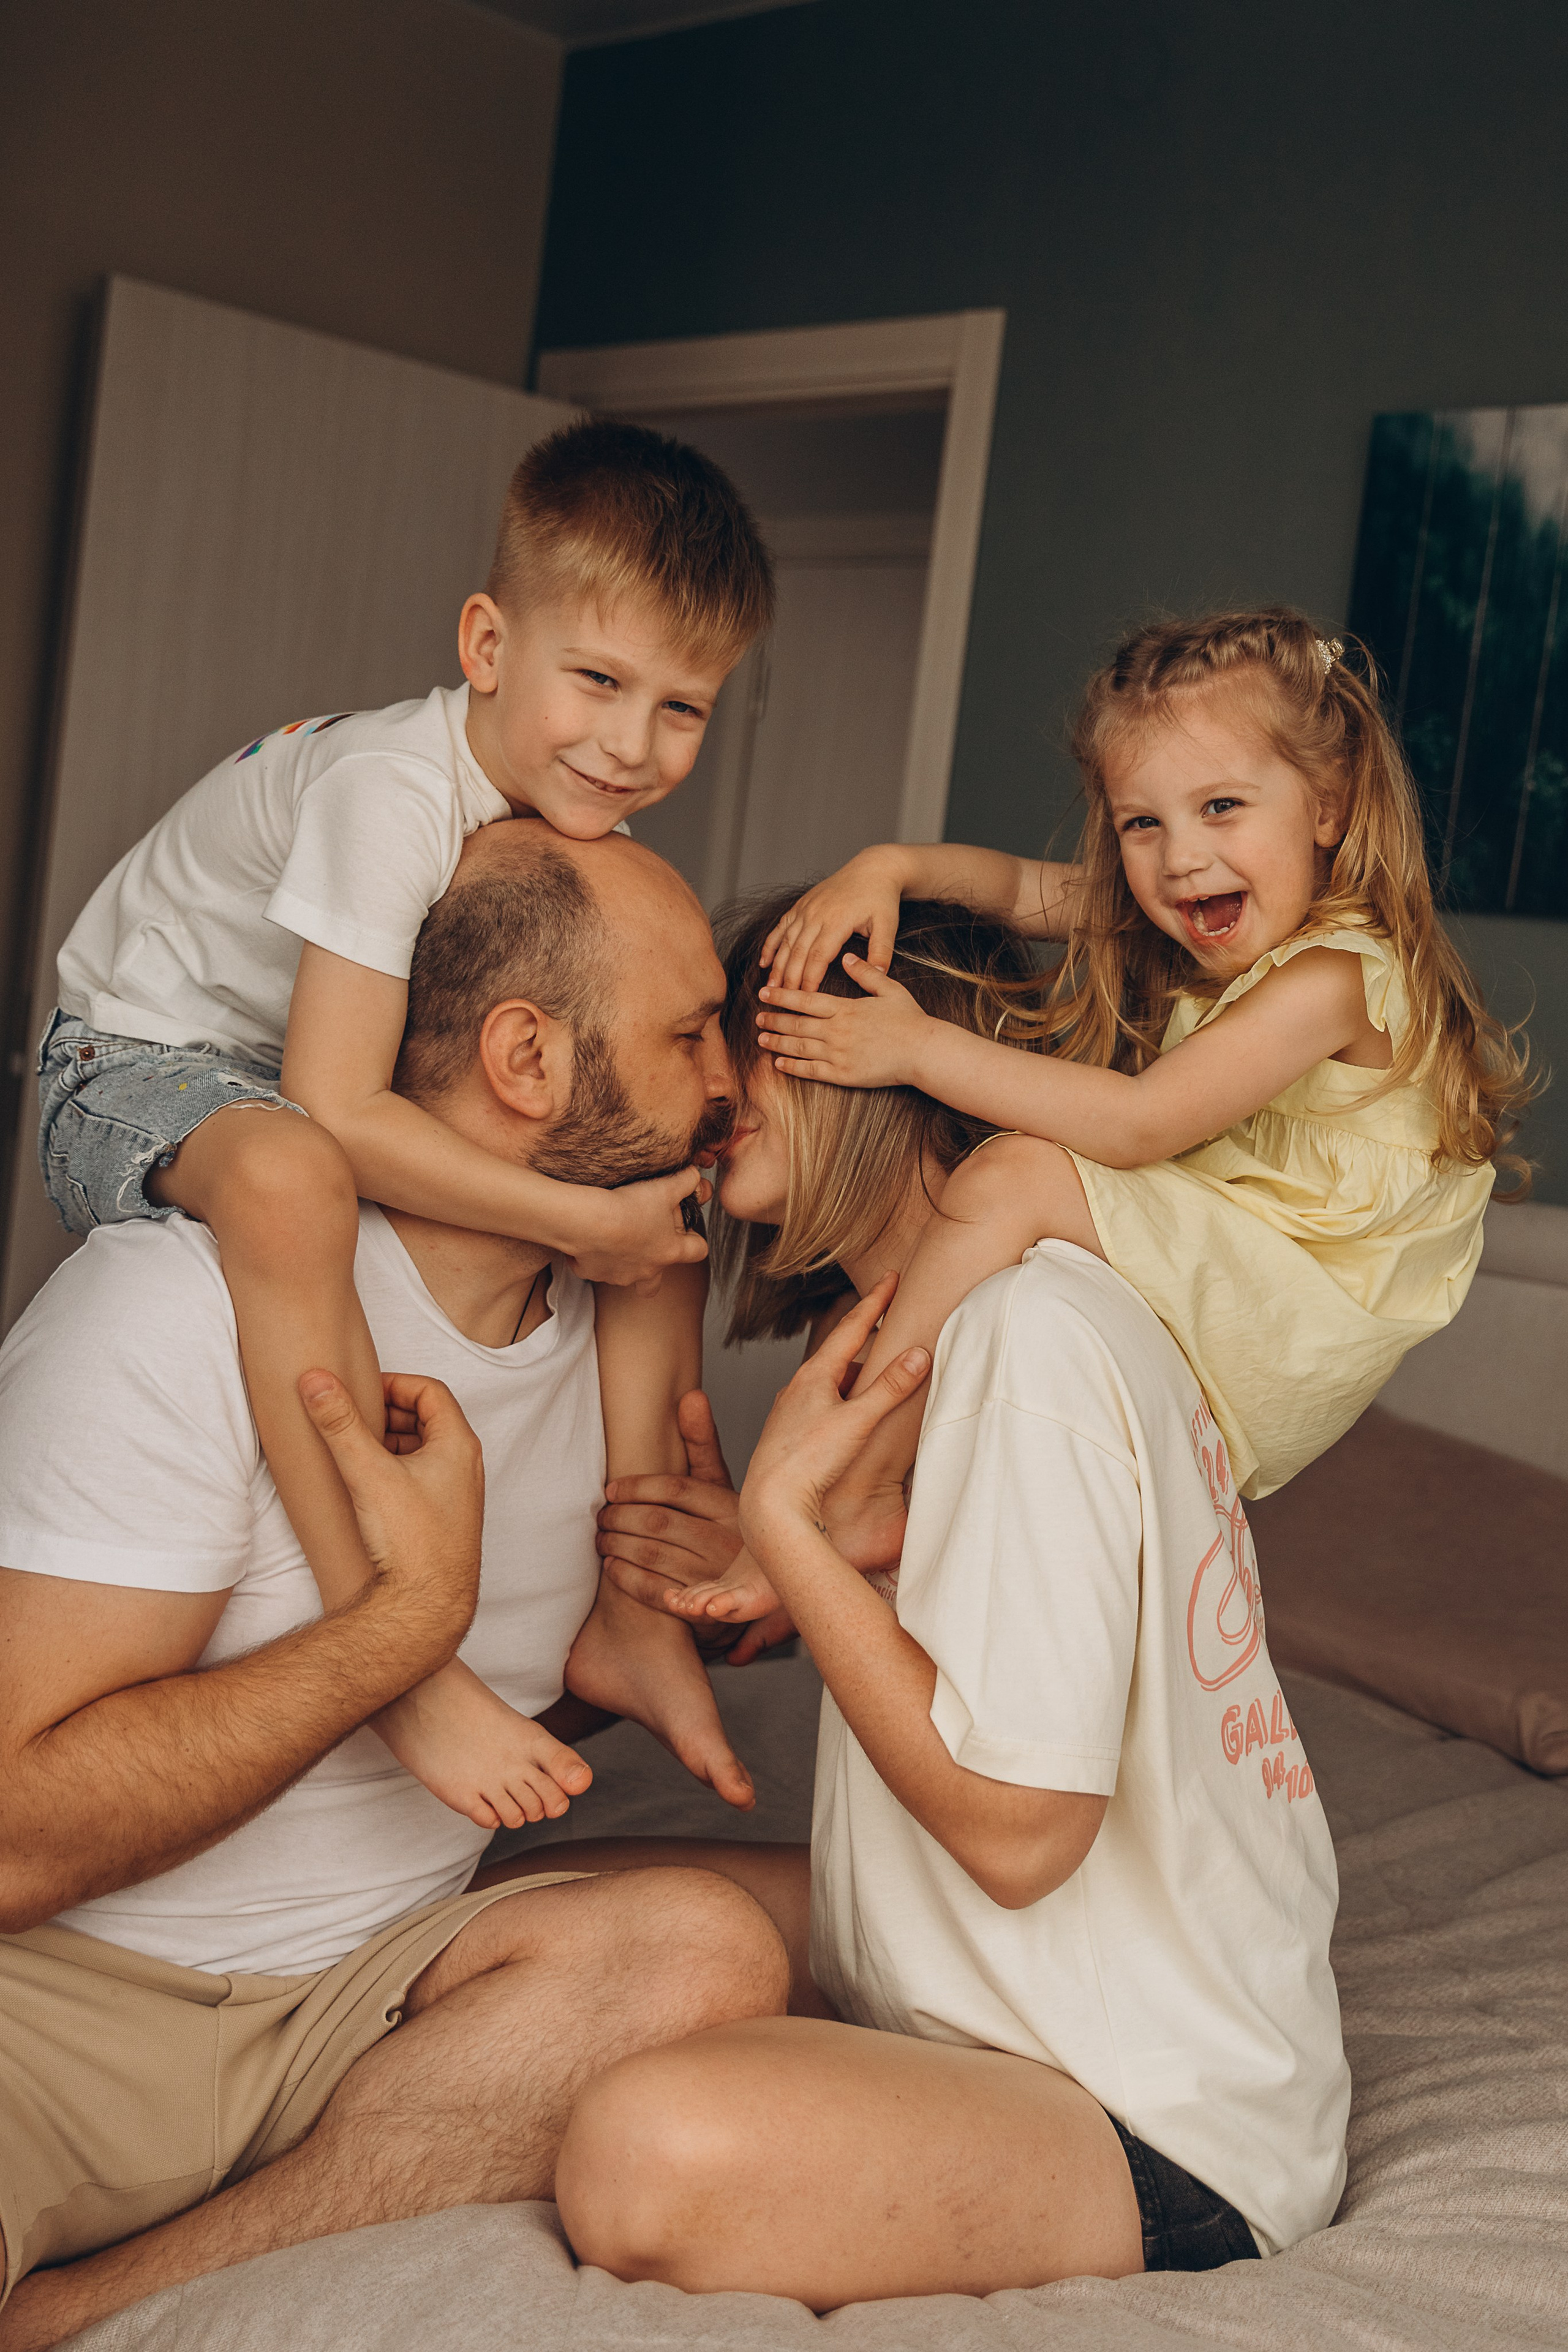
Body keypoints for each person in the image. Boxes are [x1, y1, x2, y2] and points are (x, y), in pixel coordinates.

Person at [0, 826, 788, 2352]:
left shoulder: (613, 1344)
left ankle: (84, 2314)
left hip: (358, 1997)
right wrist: (397, 1631)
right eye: (691, 1033)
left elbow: (520, 1736)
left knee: (713, 1950)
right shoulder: (175, 1309)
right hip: (54, 2008)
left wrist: (734, 1602)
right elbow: (15, 1841)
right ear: (526, 1059)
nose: (731, 1083)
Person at [573, 891, 1352, 2307]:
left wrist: (788, 1529)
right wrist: (792, 1582)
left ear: (887, 1054)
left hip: (1149, 2115)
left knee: (642, 2149)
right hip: (990, 1998)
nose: (707, 1085)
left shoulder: (1029, 1333)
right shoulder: (965, 1333)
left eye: (750, 1037)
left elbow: (1019, 1836)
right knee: (531, 1914)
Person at [36, 418, 774, 1827]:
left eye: (681, 708)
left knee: (650, 1165)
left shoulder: (551, 807)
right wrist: (578, 1224)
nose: (630, 747)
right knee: (296, 1184)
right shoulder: (392, 791)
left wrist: (625, 1216)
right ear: (488, 647)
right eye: (600, 682)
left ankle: (630, 1608)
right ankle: (391, 1646)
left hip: (281, 1068)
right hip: (138, 1055)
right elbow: (333, 1106)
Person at [673, 607, 1534, 1632]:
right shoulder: (1188, 924)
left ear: (1329, 808)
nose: (1180, 859)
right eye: (1143, 822)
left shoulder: (1332, 979)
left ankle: (856, 1488)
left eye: (1221, 806)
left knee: (1014, 1177)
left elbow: (1137, 1125)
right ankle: (865, 1499)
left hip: (1300, 1295)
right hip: (1246, 1260)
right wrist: (889, 867)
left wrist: (917, 1050)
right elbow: (1008, 888)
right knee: (950, 1277)